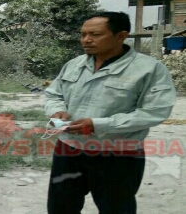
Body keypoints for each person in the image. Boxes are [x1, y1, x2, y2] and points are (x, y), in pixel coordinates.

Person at [44, 11, 176, 214]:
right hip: (69, 149)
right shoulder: (74, 64)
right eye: (83, 34)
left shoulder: (149, 69)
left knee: (116, 208)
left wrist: (98, 125)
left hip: (119, 154)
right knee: (60, 207)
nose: (86, 40)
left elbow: (155, 111)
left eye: (95, 34)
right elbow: (53, 93)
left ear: (121, 36)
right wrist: (57, 110)